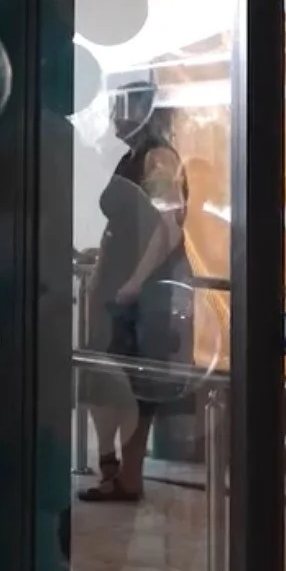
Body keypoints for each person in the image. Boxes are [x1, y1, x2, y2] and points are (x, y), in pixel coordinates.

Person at [79, 93, 193, 503]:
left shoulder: (158, 158)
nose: (112, 117)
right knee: (102, 375)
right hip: (119, 279)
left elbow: (168, 229)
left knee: (137, 380)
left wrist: (134, 283)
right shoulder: (131, 157)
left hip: (147, 287)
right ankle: (112, 467)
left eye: (119, 107)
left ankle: (128, 474)